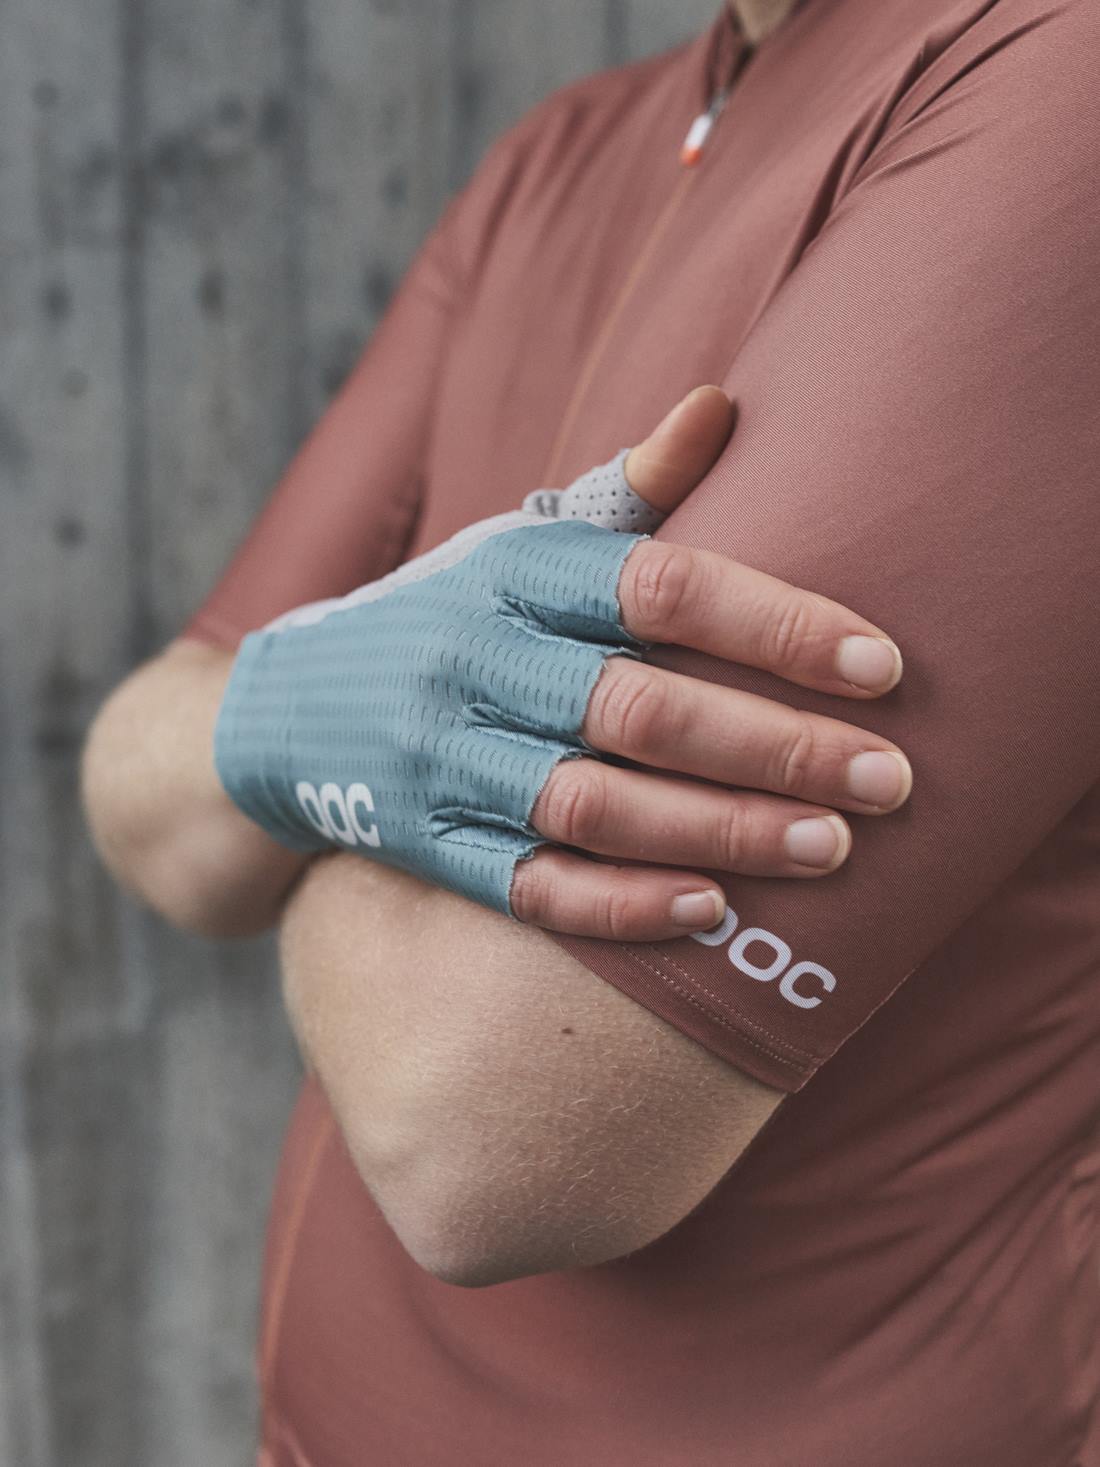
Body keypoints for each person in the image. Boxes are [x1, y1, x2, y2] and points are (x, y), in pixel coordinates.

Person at [81, 0, 1100, 1462]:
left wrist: (307, 763)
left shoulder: (1058, 83)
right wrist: (320, 720)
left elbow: (481, 1138)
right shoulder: (553, 158)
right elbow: (143, 798)